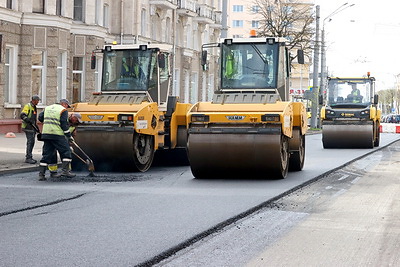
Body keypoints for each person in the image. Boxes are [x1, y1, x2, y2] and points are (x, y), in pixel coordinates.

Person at [37, 99, 76, 181]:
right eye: (67, 106)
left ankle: (41, 175)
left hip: (46, 134)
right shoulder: (63, 110)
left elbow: (40, 118)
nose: (67, 108)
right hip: (57, 135)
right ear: (64, 104)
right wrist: (69, 136)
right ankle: (65, 171)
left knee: (46, 155)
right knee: (66, 151)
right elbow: (63, 124)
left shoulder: (47, 108)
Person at [47, 112, 83, 178]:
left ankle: (67, 171)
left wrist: (70, 145)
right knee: (53, 154)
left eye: (77, 121)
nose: (76, 121)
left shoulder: (74, 126)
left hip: (63, 142)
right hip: (55, 138)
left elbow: (72, 136)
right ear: (73, 117)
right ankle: (53, 172)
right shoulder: (64, 119)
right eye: (76, 119)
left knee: (66, 155)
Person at [20, 95, 40, 164]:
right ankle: (28, 157)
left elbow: (33, 118)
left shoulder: (34, 107)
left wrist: (36, 127)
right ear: (34, 100)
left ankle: (29, 156)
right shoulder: (28, 106)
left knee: (31, 142)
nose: (38, 102)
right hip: (28, 127)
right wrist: (28, 120)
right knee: (30, 142)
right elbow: (22, 115)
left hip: (32, 127)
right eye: (38, 100)